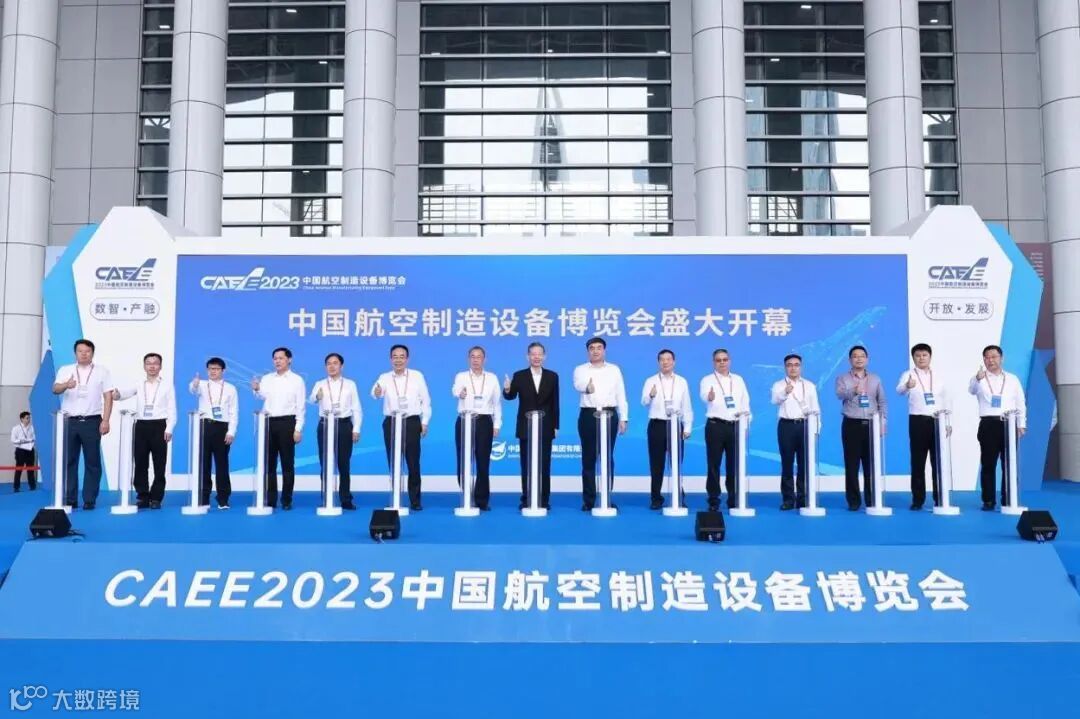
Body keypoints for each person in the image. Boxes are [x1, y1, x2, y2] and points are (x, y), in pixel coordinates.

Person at [52, 338, 115, 510]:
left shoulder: (102, 371)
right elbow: (55, 389)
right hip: (69, 421)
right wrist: (66, 385)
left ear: (92, 353)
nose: (84, 354)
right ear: (75, 353)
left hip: (92, 421)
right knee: (69, 461)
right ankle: (70, 498)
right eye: (80, 351)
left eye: (87, 351)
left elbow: (108, 396)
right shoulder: (66, 370)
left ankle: (89, 499)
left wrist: (106, 420)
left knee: (92, 461)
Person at [114, 353, 177, 509]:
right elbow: (124, 393)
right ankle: (142, 496)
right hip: (141, 425)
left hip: (159, 425)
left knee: (159, 464)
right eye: (149, 363)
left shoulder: (167, 385)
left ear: (160, 366)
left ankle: (156, 498)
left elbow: (172, 409)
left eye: (155, 363)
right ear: (144, 366)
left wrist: (169, 428)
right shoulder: (139, 383)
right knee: (140, 462)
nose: (152, 366)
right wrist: (116, 394)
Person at [372, 344, 431, 511]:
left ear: (407, 359)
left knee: (413, 462)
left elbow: (426, 400)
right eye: (395, 357)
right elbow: (375, 393)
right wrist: (377, 392)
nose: (398, 360)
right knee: (393, 461)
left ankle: (415, 500)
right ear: (391, 359)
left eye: (402, 356)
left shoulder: (417, 376)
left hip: (411, 422)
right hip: (391, 422)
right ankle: (395, 498)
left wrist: (425, 422)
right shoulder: (384, 377)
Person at [572, 337, 628, 511]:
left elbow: (621, 394)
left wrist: (624, 418)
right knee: (588, 458)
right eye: (592, 348)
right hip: (588, 415)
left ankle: (606, 498)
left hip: (610, 414)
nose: (595, 351)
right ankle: (589, 500)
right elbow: (578, 384)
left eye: (599, 348)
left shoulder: (614, 369)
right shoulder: (580, 369)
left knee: (607, 457)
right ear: (588, 351)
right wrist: (587, 388)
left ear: (604, 350)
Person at [969, 344, 1027, 511]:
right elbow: (971, 390)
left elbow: (1020, 402)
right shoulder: (979, 378)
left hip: (1009, 423)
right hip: (988, 424)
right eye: (987, 357)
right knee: (988, 464)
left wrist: (1021, 424)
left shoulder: (1012, 379)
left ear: (1001, 358)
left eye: (994, 357)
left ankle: (1008, 498)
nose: (990, 360)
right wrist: (977, 378)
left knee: (1009, 463)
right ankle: (988, 500)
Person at [503, 342, 559, 510]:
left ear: (544, 356)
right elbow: (511, 396)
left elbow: (555, 402)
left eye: (539, 354)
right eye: (533, 354)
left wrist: (555, 425)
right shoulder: (519, 375)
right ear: (527, 356)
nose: (536, 357)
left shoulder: (552, 376)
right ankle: (527, 498)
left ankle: (544, 500)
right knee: (526, 464)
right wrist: (507, 389)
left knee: (544, 465)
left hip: (546, 426)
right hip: (525, 426)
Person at [251, 347, 306, 510]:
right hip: (268, 422)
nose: (277, 361)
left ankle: (287, 499)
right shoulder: (267, 378)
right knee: (269, 464)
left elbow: (301, 407)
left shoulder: (297, 380)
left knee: (287, 463)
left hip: (287, 423)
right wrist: (256, 388)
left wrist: (298, 428)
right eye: (275, 358)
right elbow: (261, 396)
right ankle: (271, 499)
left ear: (289, 359)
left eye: (281, 358)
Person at [897, 343, 950, 511]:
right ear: (913, 358)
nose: (921, 358)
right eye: (918, 355)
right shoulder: (908, 375)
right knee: (918, 461)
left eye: (924, 355)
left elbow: (945, 400)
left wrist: (947, 423)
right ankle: (918, 499)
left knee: (938, 461)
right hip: (918, 420)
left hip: (938, 420)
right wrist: (907, 386)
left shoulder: (939, 376)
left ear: (930, 357)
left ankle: (939, 498)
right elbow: (899, 390)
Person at [835, 345, 888, 511]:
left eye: (862, 356)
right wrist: (854, 390)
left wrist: (883, 422)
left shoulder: (875, 379)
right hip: (851, 424)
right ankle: (853, 501)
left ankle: (872, 499)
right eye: (855, 356)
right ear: (850, 360)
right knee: (851, 464)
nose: (859, 359)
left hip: (871, 424)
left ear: (867, 359)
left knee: (871, 464)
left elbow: (882, 402)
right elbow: (839, 394)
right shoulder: (843, 378)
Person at [699, 348, 751, 511]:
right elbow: (704, 396)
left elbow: (745, 403)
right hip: (715, 426)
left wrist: (745, 425)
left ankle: (733, 498)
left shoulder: (738, 380)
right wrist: (710, 397)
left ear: (729, 361)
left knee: (733, 465)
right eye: (718, 360)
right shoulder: (707, 380)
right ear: (713, 362)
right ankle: (713, 499)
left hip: (735, 426)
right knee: (713, 464)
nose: (722, 363)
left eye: (724, 359)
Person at [452, 346, 502, 511]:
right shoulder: (461, 376)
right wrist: (460, 393)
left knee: (483, 461)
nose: (475, 360)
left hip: (484, 421)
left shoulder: (492, 378)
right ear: (469, 359)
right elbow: (455, 389)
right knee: (463, 460)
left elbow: (496, 403)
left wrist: (497, 424)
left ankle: (481, 500)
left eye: (478, 357)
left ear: (484, 359)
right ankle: (467, 495)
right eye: (472, 357)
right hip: (465, 419)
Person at [309, 352, 361, 510]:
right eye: (328, 364)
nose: (332, 366)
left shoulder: (350, 384)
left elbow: (356, 408)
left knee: (344, 463)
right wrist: (317, 396)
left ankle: (345, 499)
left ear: (341, 366)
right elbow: (311, 399)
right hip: (325, 425)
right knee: (325, 462)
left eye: (335, 363)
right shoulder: (320, 383)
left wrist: (356, 428)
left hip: (344, 425)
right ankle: (326, 497)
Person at [642, 349, 692, 510]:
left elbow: (686, 405)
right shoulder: (651, 380)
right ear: (658, 362)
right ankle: (656, 498)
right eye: (662, 359)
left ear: (674, 362)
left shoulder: (682, 381)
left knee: (676, 463)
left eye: (668, 359)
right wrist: (650, 395)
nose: (665, 362)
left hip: (676, 425)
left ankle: (679, 497)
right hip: (657, 425)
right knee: (656, 464)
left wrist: (687, 427)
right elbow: (644, 402)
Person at [771, 353, 821, 509]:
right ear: (785, 367)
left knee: (804, 463)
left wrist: (816, 429)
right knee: (787, 463)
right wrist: (785, 392)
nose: (793, 368)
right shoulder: (779, 385)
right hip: (786, 426)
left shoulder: (810, 385)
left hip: (805, 425)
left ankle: (803, 498)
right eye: (790, 365)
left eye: (796, 365)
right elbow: (775, 400)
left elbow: (816, 409)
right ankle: (788, 499)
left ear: (801, 367)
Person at [189, 357, 238, 509]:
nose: (213, 371)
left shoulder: (230, 388)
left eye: (216, 369)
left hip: (222, 428)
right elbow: (193, 390)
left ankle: (223, 498)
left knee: (222, 464)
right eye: (210, 369)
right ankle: (203, 497)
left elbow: (234, 412)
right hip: (204, 425)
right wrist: (195, 383)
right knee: (203, 464)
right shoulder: (202, 385)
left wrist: (231, 431)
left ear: (223, 370)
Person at [10, 411, 35, 492]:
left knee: (30, 469)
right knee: (19, 469)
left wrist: (30, 441)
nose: (29, 420)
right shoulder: (16, 428)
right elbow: (13, 440)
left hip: (30, 450)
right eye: (27, 418)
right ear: (22, 419)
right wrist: (21, 441)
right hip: (20, 451)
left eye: (29, 418)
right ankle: (16, 487)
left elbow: (34, 438)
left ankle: (32, 486)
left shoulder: (32, 428)